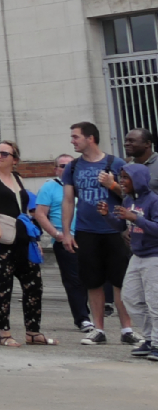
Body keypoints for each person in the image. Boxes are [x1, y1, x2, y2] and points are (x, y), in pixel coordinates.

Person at [59, 120, 135, 346]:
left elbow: (131, 197)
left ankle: (127, 329)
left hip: (115, 230)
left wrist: (112, 185)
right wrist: (66, 232)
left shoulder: (115, 163)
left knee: (120, 282)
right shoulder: (72, 167)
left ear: (90, 138)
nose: (72, 141)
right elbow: (68, 201)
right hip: (85, 231)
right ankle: (98, 329)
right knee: (93, 282)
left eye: (76, 137)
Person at [0, 139, 50, 346]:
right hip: (2, 240)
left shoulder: (17, 177)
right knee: (2, 288)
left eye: (4, 153)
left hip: (23, 238)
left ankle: (33, 331)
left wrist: (34, 239)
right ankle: (4, 333)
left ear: (15, 159)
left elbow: (24, 211)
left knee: (34, 285)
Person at [33, 153, 90, 331]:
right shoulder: (50, 187)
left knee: (93, 278)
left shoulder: (83, 185)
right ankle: (82, 318)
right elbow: (40, 213)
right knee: (74, 280)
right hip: (66, 239)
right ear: (56, 169)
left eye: (70, 165)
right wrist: (57, 234)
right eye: (62, 166)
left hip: (89, 237)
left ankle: (98, 312)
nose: (67, 169)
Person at [115, 162, 158, 358]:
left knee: (154, 302)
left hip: (154, 257)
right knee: (130, 298)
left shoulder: (154, 201)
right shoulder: (128, 201)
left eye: (126, 178)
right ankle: (149, 339)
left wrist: (135, 218)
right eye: (120, 177)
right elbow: (122, 225)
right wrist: (108, 216)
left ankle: (157, 344)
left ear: (138, 180)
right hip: (137, 255)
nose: (121, 181)